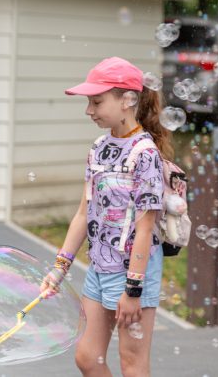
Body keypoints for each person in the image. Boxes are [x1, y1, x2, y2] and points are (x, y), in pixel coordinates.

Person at [40, 57, 169, 377]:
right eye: (89, 102)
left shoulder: (145, 154)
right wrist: (60, 267)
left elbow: (145, 227)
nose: (89, 110)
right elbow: (84, 214)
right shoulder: (98, 148)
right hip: (99, 268)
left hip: (132, 271)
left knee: (132, 364)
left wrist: (133, 291)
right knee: (87, 357)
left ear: (127, 100)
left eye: (97, 101)